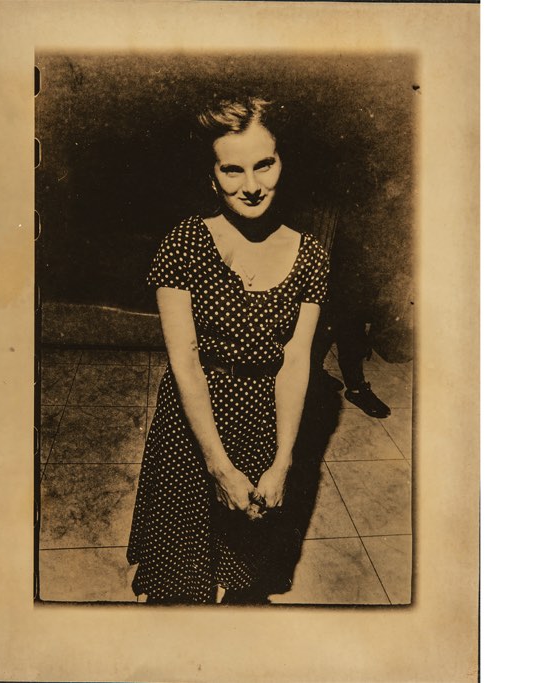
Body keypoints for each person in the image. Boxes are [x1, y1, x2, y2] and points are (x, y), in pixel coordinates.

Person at [127, 96, 330, 604]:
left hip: (264, 424)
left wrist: (282, 461)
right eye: (232, 169)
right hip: (193, 429)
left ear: (283, 162)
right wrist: (217, 466)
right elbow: (186, 364)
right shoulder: (183, 245)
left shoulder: (310, 256)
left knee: (247, 577)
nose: (252, 185)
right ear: (212, 176)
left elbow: (296, 362)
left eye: (265, 164)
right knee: (179, 583)